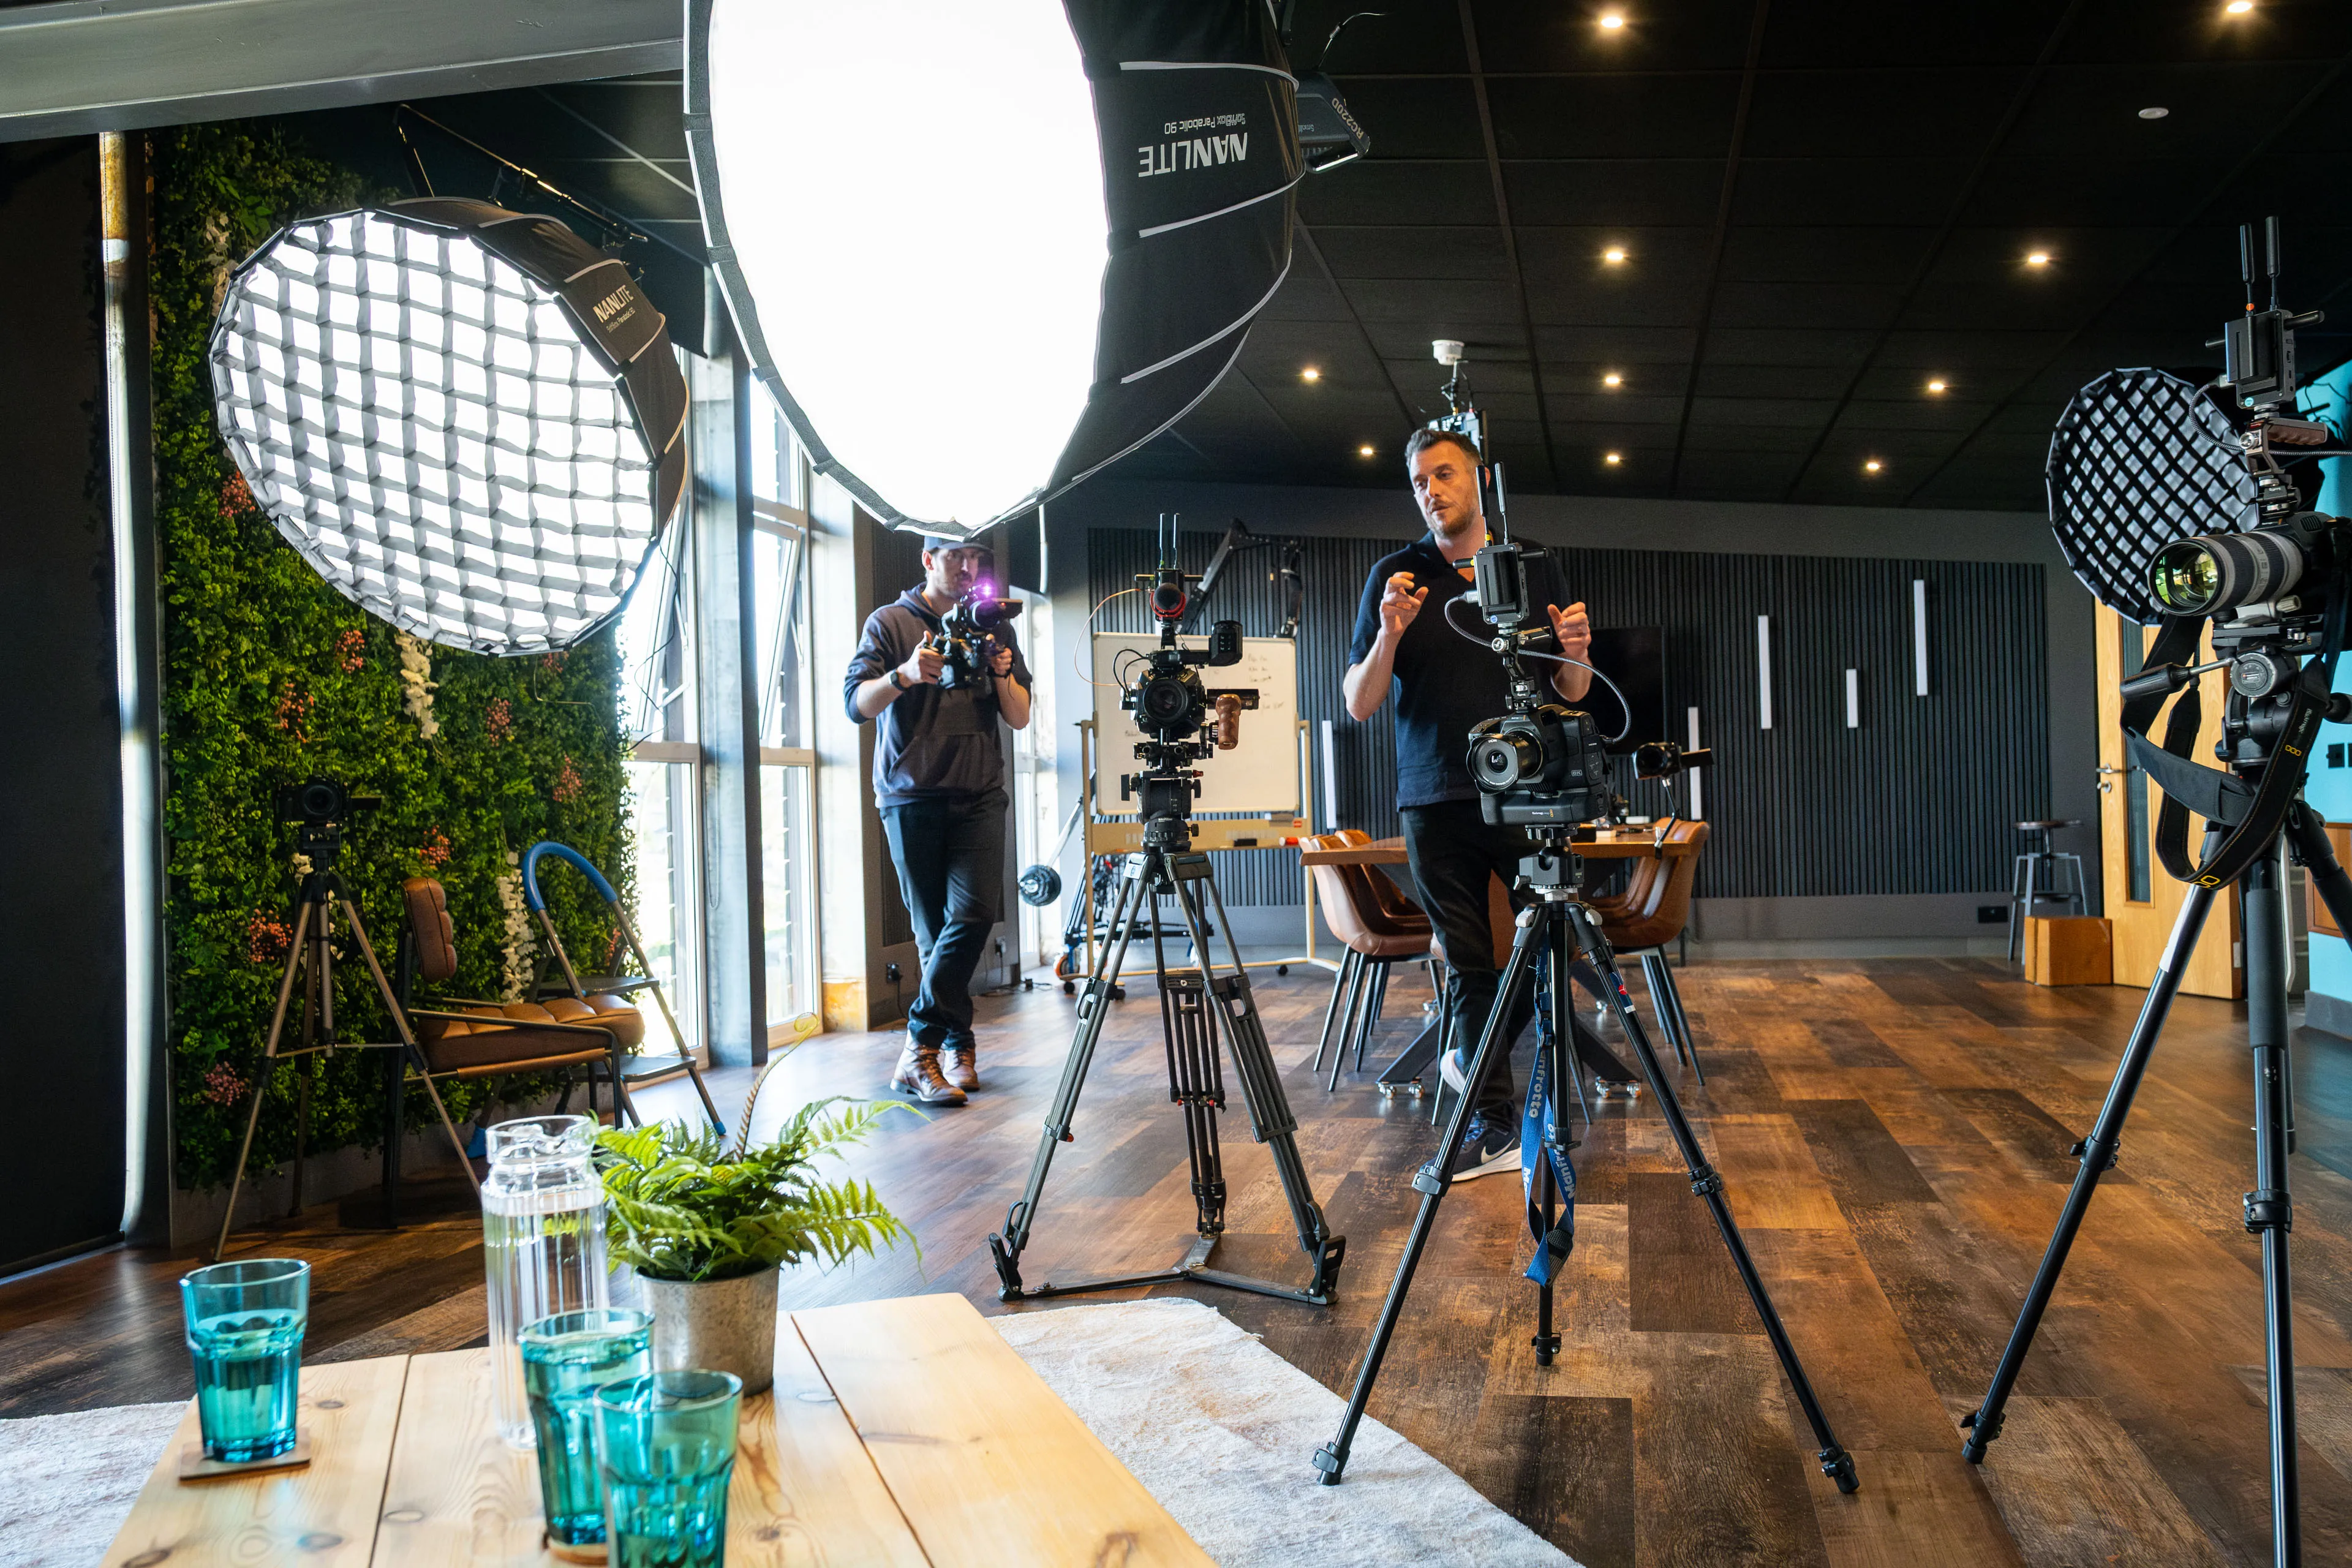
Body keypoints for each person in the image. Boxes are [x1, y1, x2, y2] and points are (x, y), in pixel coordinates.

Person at [1343, 428, 1632, 1179]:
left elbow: (1571, 693)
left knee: (1551, 951)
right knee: (1470, 964)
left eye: (1444, 474)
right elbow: (1359, 702)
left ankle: (1483, 1065)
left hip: (1530, 792)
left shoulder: (1534, 565)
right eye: (1418, 481)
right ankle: (1498, 1126)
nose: (1431, 491)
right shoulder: (1395, 577)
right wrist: (1387, 635)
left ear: (1478, 479)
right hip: (1434, 797)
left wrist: (1576, 653)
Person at [845, 536, 1032, 1105]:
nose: (970, 568)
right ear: (928, 561)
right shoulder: (890, 622)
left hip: (979, 793)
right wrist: (904, 674)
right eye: (957, 557)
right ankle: (957, 1044)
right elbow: (857, 704)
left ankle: (917, 1050)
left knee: (972, 916)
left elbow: (1020, 717)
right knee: (934, 939)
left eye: (977, 558)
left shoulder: (994, 622)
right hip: (910, 797)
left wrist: (1002, 671)